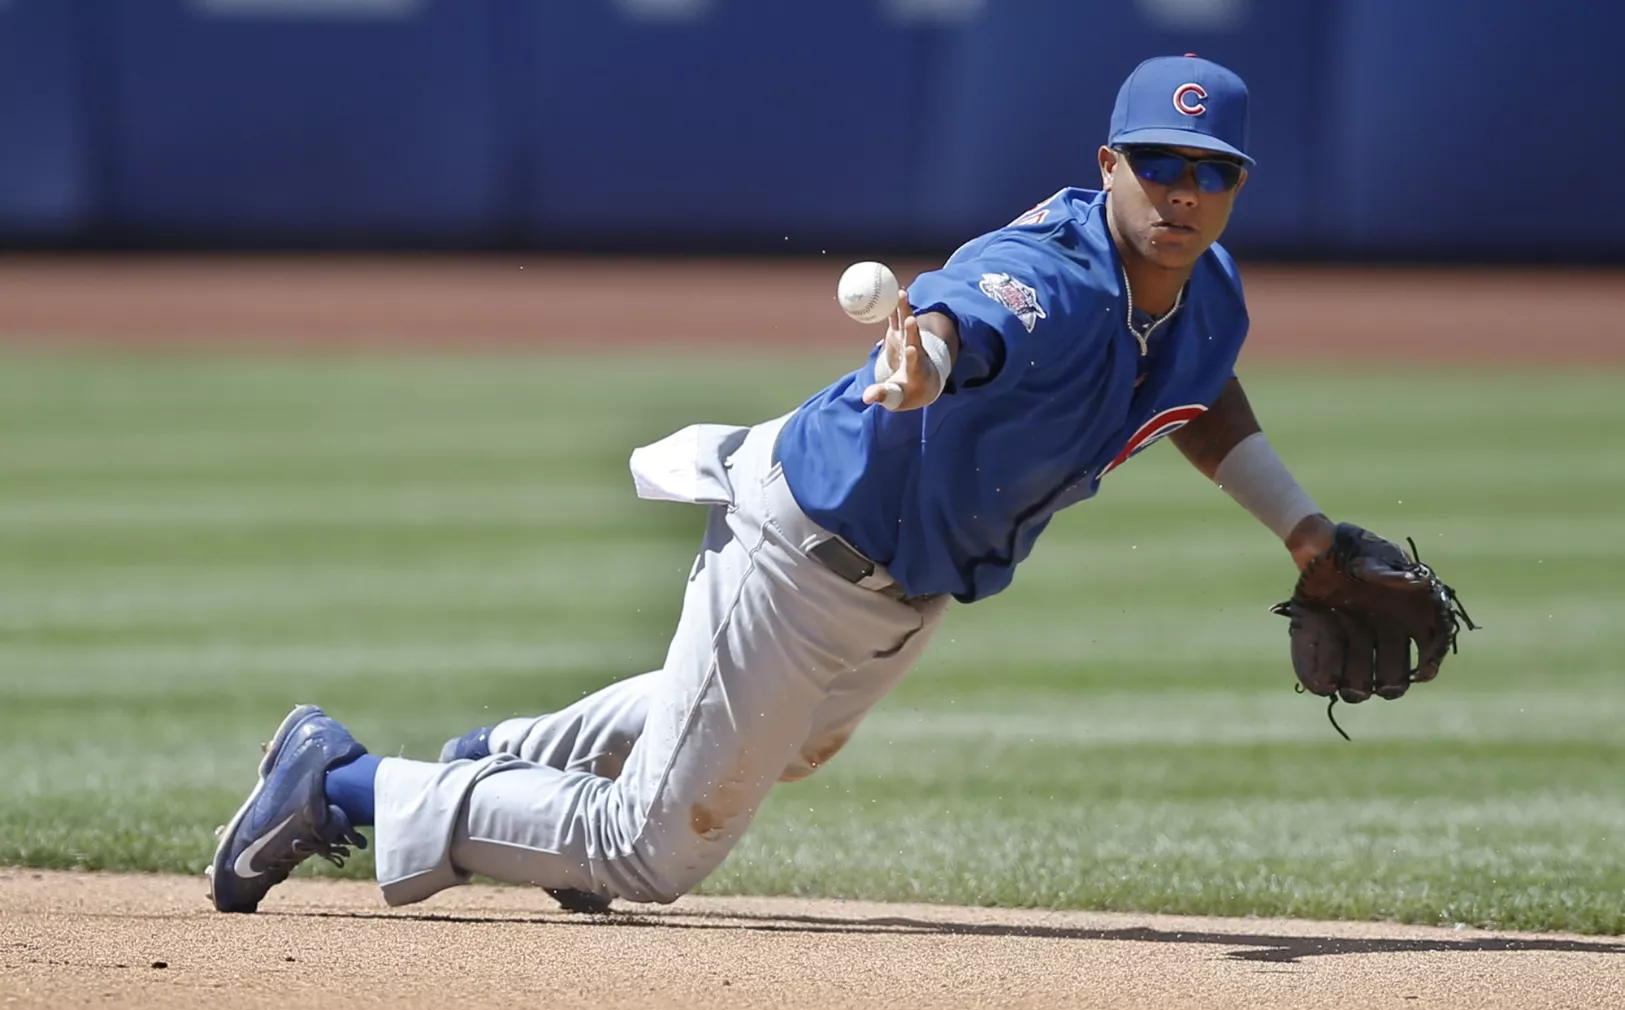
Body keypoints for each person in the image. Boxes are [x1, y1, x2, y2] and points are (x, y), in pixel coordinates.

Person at [204, 54, 1376, 914]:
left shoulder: (1203, 291)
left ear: (1234, 186)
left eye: (1207, 173)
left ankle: (489, 762)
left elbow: (1191, 389)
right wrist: (922, 363)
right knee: (649, 853)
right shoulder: (1049, 276)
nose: (1179, 193)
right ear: (1108, 164)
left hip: (896, 588)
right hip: (809, 544)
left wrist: (1305, 537)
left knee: (780, 746)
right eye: (1157, 166)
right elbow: (971, 323)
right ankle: (343, 784)